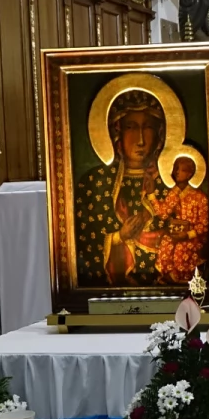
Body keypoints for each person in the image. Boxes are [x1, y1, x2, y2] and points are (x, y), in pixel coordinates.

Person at [75, 90, 169, 286]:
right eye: (131, 127)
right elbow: (81, 242)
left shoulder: (168, 183)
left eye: (148, 128)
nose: (141, 140)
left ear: (160, 133)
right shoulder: (94, 182)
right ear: (117, 132)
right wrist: (118, 237)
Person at [147, 155, 209, 284]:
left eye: (180, 169)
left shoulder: (199, 196)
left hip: (193, 237)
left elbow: (203, 224)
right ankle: (168, 277)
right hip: (177, 233)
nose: (176, 172)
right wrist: (151, 194)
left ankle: (180, 279)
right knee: (166, 243)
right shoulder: (174, 193)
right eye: (175, 168)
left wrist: (187, 235)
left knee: (182, 248)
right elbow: (163, 213)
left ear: (189, 174)